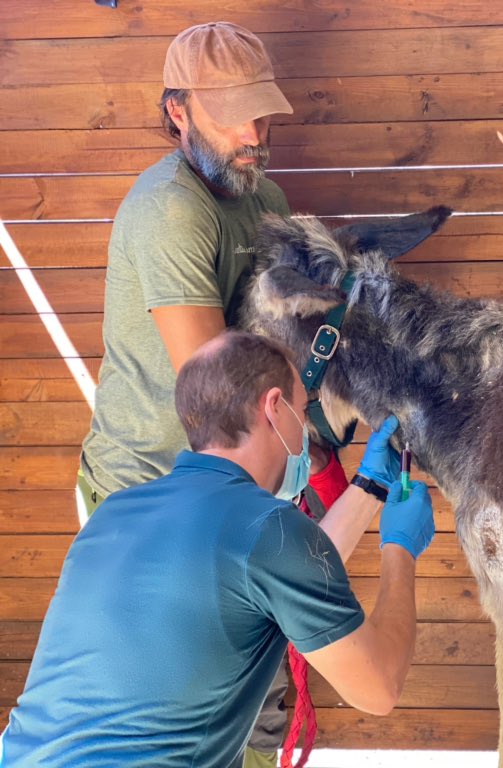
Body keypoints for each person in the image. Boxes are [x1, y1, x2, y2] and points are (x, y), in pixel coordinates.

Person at [0, 332, 436, 767]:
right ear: (274, 407)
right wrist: (399, 548)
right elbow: (377, 687)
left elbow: (272, 581)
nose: (304, 432)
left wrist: (368, 488)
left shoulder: (114, 513)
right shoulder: (268, 529)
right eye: (302, 412)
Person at [75, 22, 312, 765]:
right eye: (233, 112)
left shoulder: (260, 193)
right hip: (146, 491)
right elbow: (214, 387)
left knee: (253, 688)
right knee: (166, 705)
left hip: (232, 480)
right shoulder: (170, 208)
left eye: (263, 112)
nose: (255, 131)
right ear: (177, 110)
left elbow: (291, 332)